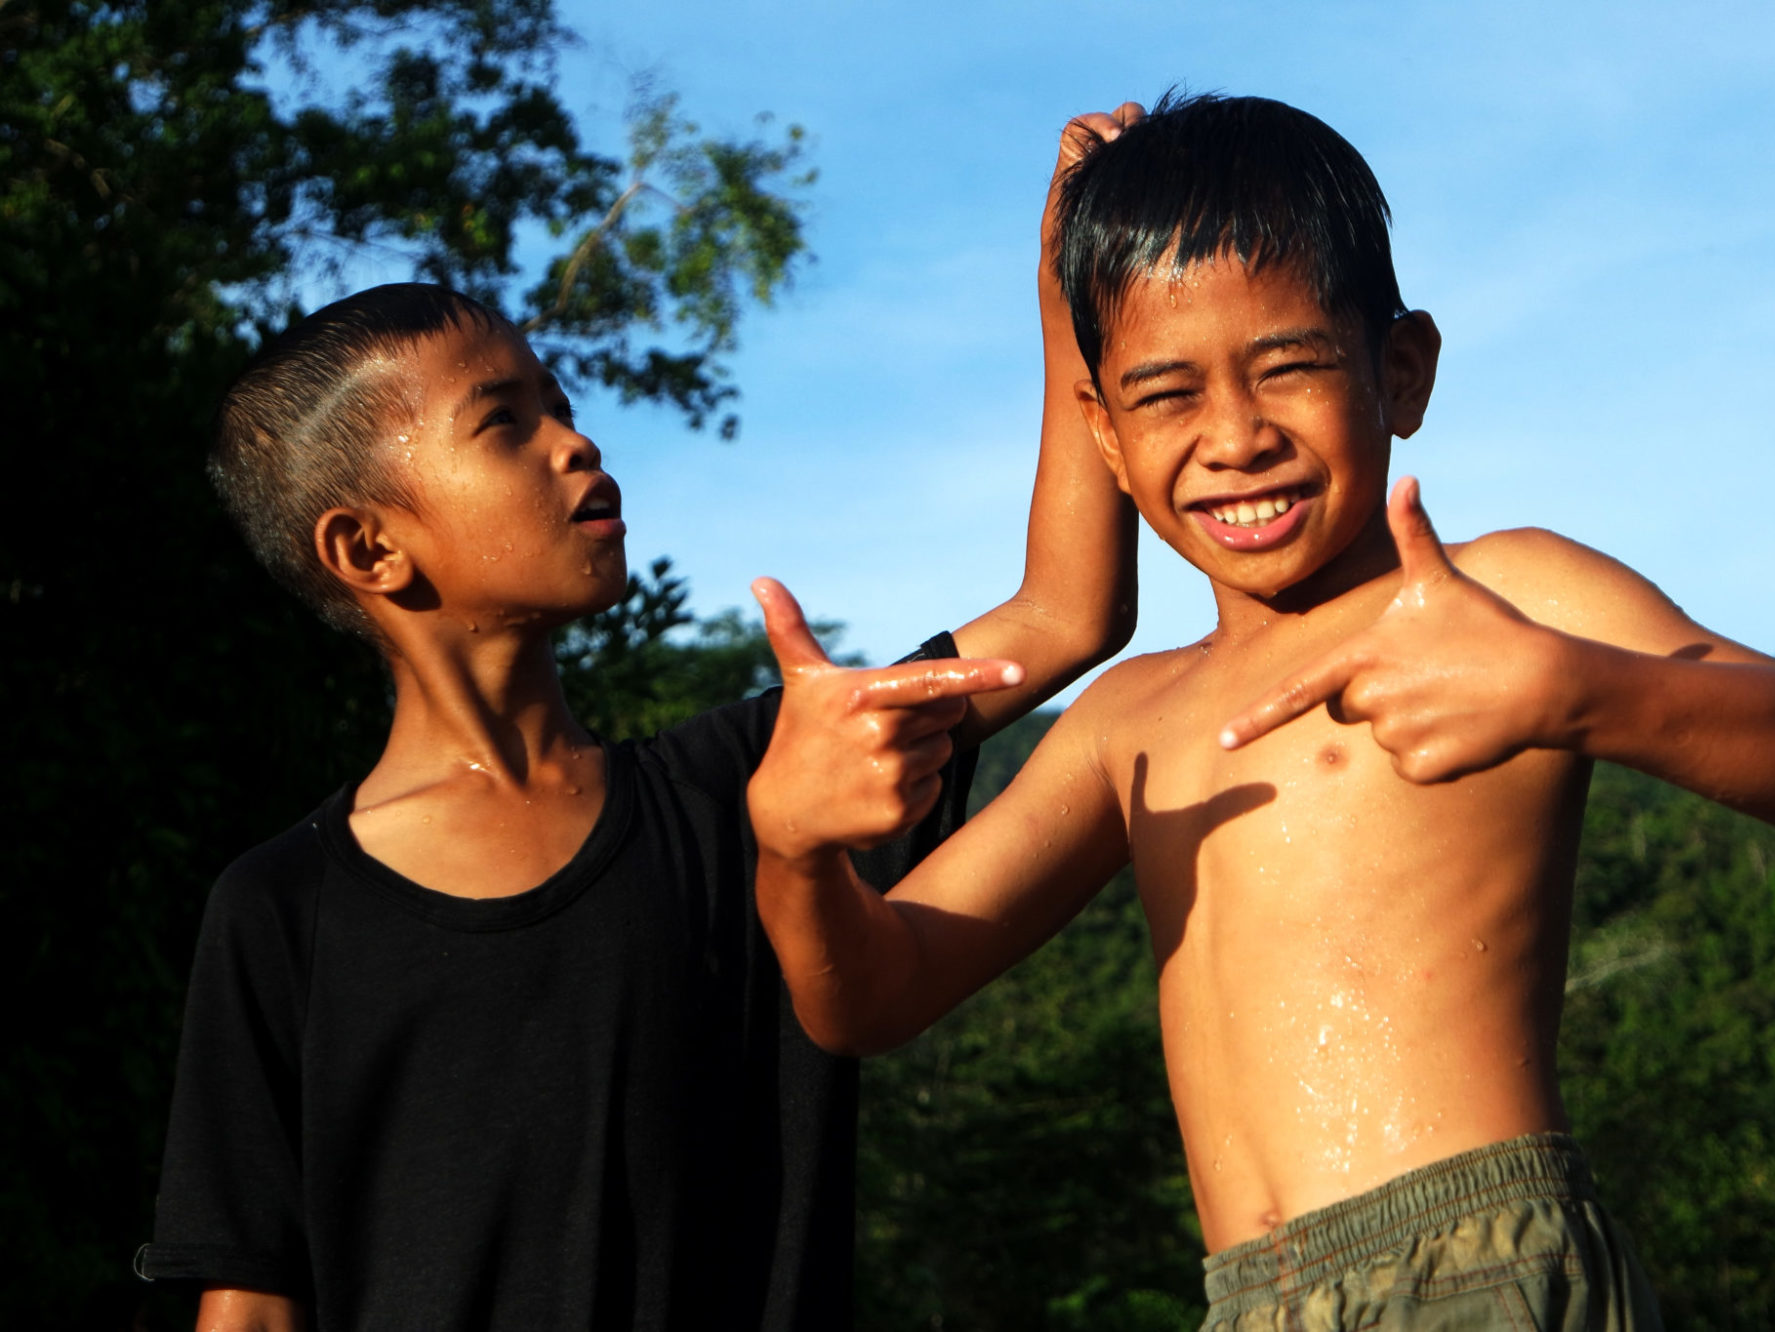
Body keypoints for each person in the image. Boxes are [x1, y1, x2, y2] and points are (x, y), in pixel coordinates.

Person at [746, 93, 1775, 1331]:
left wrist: (1581, 688)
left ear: (1401, 370)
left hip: (1486, 1271)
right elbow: (871, 994)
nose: (1235, 438)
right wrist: (794, 853)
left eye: (1289, 368)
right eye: (1166, 397)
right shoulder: (1125, 722)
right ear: (1102, 433)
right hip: (1245, 1306)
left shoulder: (1501, 600)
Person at [137, 108, 1145, 1332]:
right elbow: (247, 1309)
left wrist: (1073, 301)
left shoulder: (750, 795)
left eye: (559, 405)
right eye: (505, 422)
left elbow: (1063, 612)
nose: (576, 442)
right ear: (369, 547)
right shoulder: (280, 912)